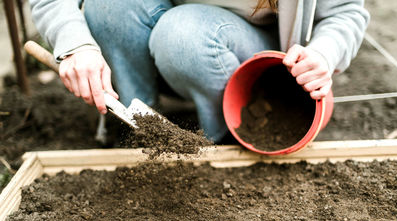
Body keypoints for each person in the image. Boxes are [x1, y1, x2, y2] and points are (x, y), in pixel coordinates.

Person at [29, 0, 369, 142]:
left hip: (246, 55)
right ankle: (140, 130)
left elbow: (345, 12)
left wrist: (322, 55)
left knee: (183, 35)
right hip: (156, 42)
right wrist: (75, 44)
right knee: (109, 5)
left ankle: (221, 138)